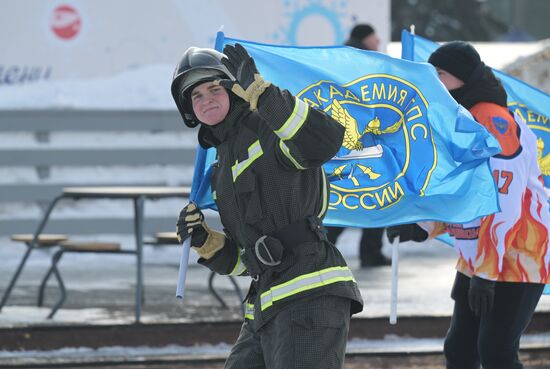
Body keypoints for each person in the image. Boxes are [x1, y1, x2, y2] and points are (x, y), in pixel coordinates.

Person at [171, 44, 363, 369]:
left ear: (235, 90)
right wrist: (209, 244)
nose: (207, 100)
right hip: (266, 304)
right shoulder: (222, 166)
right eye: (197, 96)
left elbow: (323, 142)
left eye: (215, 88)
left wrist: (265, 95)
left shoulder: (266, 128)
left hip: (309, 294)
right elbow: (249, 261)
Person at [388, 41, 550, 369]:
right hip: (480, 257)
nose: (433, 81)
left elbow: (503, 200)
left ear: (463, 77)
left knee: (496, 352)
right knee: (460, 349)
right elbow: (461, 193)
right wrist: (421, 226)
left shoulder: (492, 121)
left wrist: (487, 272)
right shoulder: (457, 119)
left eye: (440, 74)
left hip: (517, 254)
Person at [328, 23, 388, 267]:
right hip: (360, 140)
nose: (378, 42)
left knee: (349, 196)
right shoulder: (362, 61)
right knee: (373, 197)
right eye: (375, 38)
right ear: (365, 38)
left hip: (348, 139)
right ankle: (370, 252)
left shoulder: (342, 58)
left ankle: (325, 248)